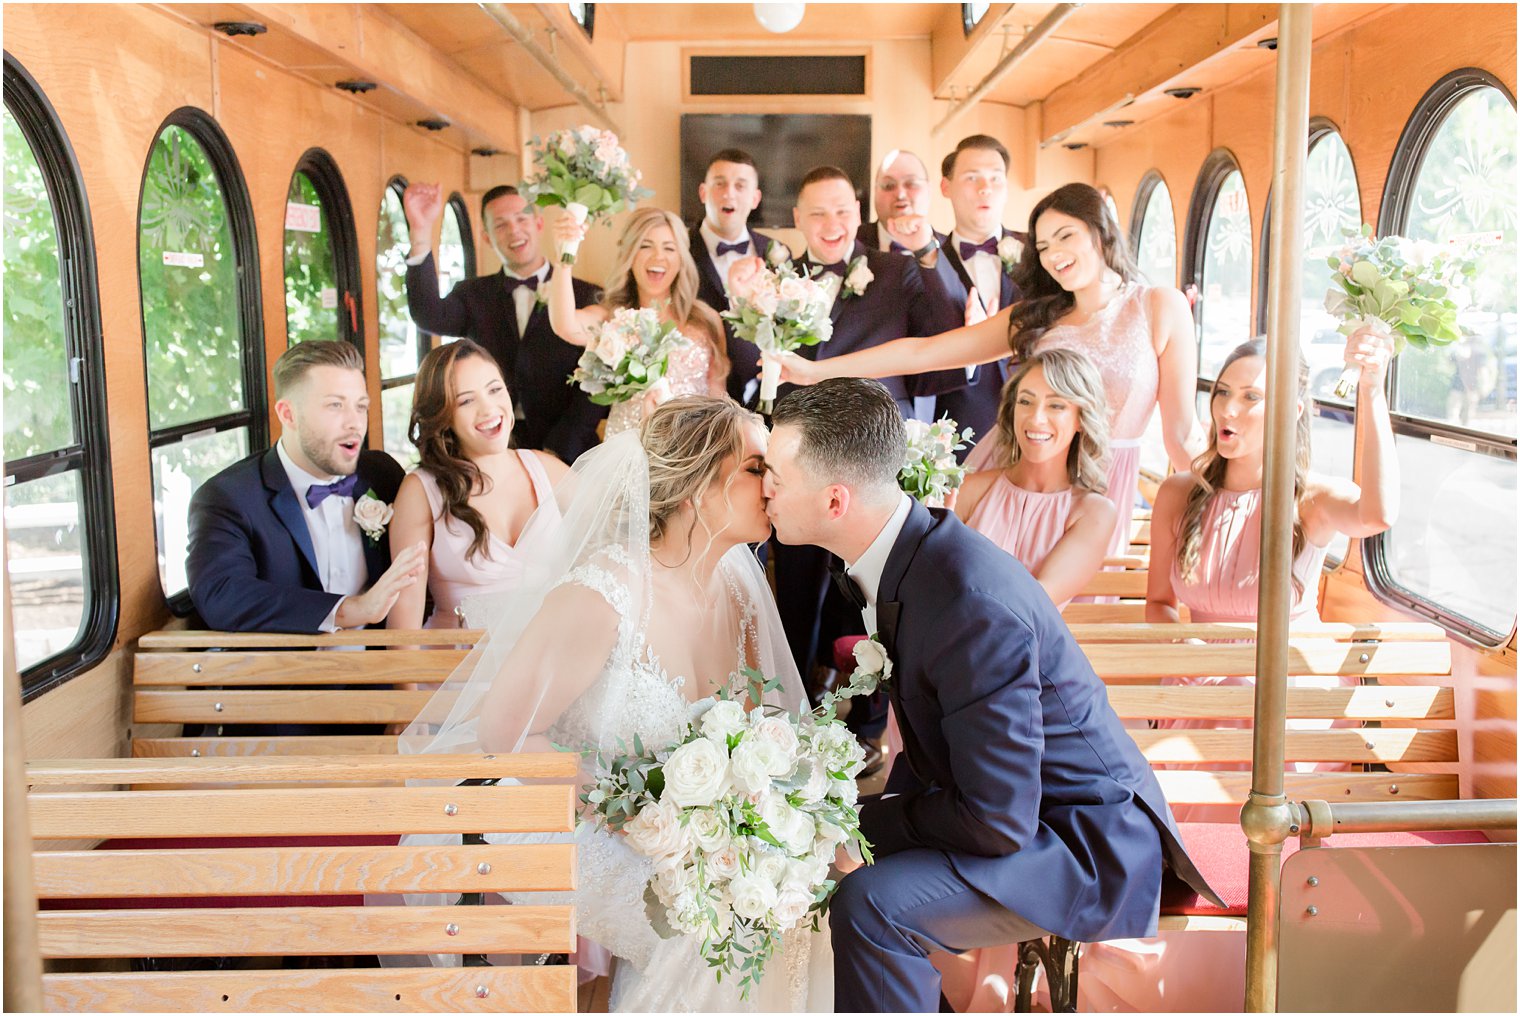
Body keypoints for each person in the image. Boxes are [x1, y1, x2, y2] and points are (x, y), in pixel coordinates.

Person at [761, 378, 1221, 1013]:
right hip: (1022, 819)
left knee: (872, 905)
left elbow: (999, 818)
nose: (766, 489)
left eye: (774, 475)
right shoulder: (906, 557)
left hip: (1081, 841)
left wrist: (862, 826)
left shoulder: (964, 601)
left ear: (835, 500)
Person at [397, 397, 832, 1011]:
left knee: (788, 903)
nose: (776, 482)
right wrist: (635, 810)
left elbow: (764, 723)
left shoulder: (738, 578)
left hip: (683, 822)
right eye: (758, 466)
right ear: (698, 487)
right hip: (566, 807)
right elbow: (504, 736)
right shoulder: (603, 594)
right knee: (706, 923)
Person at [1059, 328, 1399, 1015]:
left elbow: (1378, 511)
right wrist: (1192, 654)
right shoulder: (1182, 494)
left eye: (1252, 397)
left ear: (1290, 411)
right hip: (1195, 701)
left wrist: (1369, 385)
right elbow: (1159, 601)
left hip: (1282, 716)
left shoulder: (1308, 502)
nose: (1230, 410)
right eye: (1223, 392)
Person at [779, 181, 1207, 557]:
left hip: (1106, 484)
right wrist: (814, 371)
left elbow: (1181, 435)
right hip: (1018, 475)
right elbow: (923, 353)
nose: (1055, 255)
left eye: (1065, 237)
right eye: (1043, 247)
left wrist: (1227, 499)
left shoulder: (1159, 306)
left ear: (1101, 231)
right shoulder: (1037, 316)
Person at [733, 164, 964, 765]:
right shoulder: (776, 282)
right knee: (799, 586)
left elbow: (945, 333)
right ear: (797, 221)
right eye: (817, 213)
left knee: (874, 593)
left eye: (842, 211)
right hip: (802, 461)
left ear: (858, 213)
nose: (831, 224)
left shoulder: (896, 268)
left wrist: (930, 254)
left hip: (874, 461)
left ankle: (869, 725)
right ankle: (794, 710)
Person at [187, 340, 425, 633]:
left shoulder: (381, 474)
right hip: (290, 675)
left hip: (382, 672)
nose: (355, 423)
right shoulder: (229, 497)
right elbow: (222, 595)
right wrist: (350, 610)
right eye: (335, 406)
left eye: (361, 407)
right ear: (288, 414)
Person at [403, 182, 605, 464]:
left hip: (568, 448)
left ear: (537, 223)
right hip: (489, 445)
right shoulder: (472, 295)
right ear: (486, 237)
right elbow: (428, 314)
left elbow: (597, 382)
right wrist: (421, 233)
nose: (514, 231)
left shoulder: (587, 296)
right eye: (500, 225)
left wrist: (559, 448)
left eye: (522, 219)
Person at [385, 340, 569, 631]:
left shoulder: (546, 468)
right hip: (460, 666)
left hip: (548, 663)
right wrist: (407, 678)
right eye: (466, 400)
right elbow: (405, 613)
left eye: (495, 389)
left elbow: (622, 535)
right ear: (443, 415)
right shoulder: (421, 491)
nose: (489, 409)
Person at [955, 348, 1116, 610]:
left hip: (1030, 648)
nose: (1036, 418)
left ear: (1081, 419)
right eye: (1025, 402)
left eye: (1056, 405)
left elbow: (1038, 601)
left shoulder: (1092, 513)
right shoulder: (970, 490)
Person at [548, 207, 729, 438]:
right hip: (628, 450)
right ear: (630, 254)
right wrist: (564, 256)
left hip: (692, 452)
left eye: (669, 248)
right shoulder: (612, 318)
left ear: (681, 258)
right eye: (645, 246)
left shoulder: (707, 320)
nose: (658, 256)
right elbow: (565, 325)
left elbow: (718, 398)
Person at [927, 135, 1025, 454]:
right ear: (946, 187)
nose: (985, 188)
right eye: (972, 178)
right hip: (959, 437)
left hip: (1035, 435)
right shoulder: (924, 267)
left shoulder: (1041, 255)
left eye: (996, 178)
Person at [688, 148, 778, 406]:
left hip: (764, 396)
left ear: (755, 198)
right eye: (720, 184)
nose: (729, 193)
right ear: (703, 192)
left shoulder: (777, 253)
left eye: (740, 185)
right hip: (697, 397)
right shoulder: (678, 251)